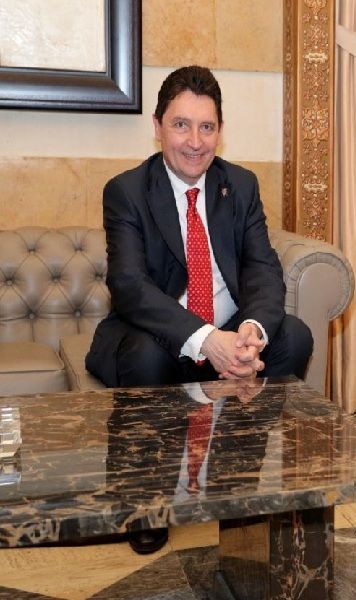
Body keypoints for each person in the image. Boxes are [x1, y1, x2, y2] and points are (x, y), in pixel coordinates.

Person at [86, 66, 313, 554]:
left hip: (228, 330)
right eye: (181, 125)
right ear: (158, 126)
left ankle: (235, 486)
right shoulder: (127, 191)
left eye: (206, 127)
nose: (194, 142)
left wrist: (250, 333)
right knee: (145, 353)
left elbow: (262, 269)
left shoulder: (241, 186)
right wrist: (208, 339)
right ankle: (147, 504)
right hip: (162, 336)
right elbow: (129, 287)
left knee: (293, 335)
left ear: (220, 130)